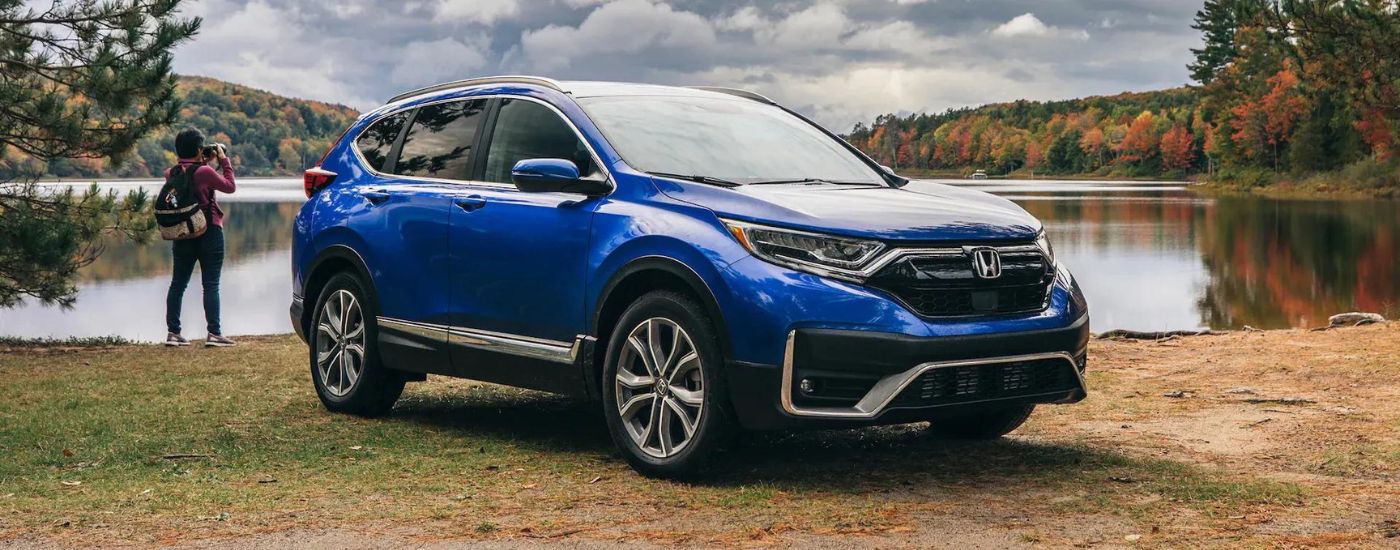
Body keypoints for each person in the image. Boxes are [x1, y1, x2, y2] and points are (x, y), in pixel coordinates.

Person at [164, 128, 237, 347]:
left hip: (183, 233)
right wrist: (223, 161)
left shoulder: (171, 173)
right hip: (209, 232)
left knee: (177, 284)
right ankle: (214, 333)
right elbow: (230, 186)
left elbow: (190, 174)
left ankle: (173, 333)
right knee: (211, 284)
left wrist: (202, 160)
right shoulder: (204, 172)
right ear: (199, 149)